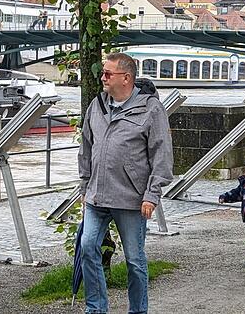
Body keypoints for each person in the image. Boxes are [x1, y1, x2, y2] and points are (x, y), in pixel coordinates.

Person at [78, 52, 173, 314]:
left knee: (134, 260)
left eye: (108, 74)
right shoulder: (96, 105)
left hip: (131, 198)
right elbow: (86, 147)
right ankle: (96, 308)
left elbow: (162, 155)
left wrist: (151, 195)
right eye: (102, 73)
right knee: (87, 247)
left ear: (126, 78)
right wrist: (84, 187)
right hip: (97, 196)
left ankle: (138, 310)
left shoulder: (151, 109)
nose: (103, 78)